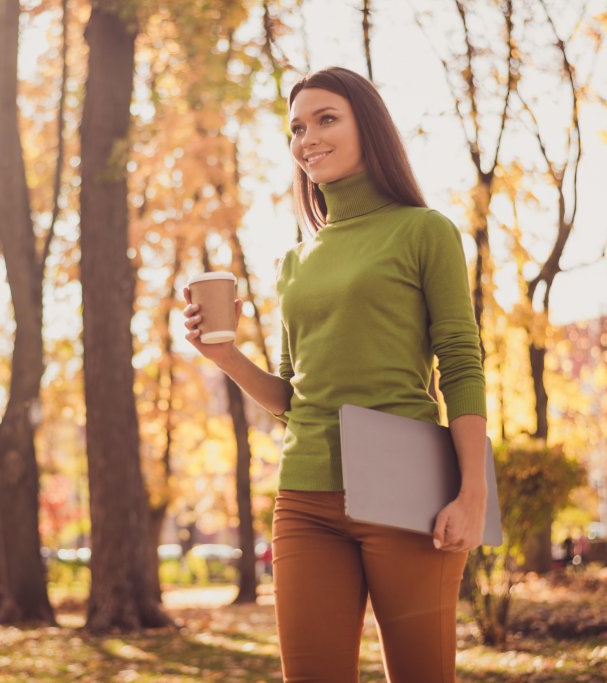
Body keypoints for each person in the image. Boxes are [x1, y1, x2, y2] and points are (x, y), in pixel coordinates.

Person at [183, 66, 488, 682]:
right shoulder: (295, 261)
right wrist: (225, 357)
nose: (308, 138)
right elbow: (294, 396)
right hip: (303, 497)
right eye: (297, 127)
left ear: (367, 127)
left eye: (326, 119)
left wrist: (472, 493)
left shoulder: (423, 231)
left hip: (406, 489)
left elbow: (459, 361)